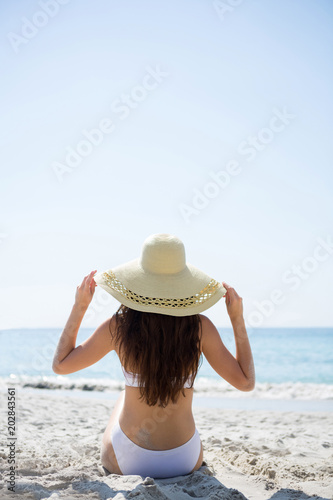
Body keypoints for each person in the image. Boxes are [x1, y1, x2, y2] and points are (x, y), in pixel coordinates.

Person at [52, 233, 255, 478]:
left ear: (139, 281)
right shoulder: (201, 328)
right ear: (184, 284)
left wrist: (80, 306)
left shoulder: (119, 327)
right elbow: (245, 382)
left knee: (122, 397)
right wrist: (237, 319)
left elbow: (61, 365)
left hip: (129, 461)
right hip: (185, 459)